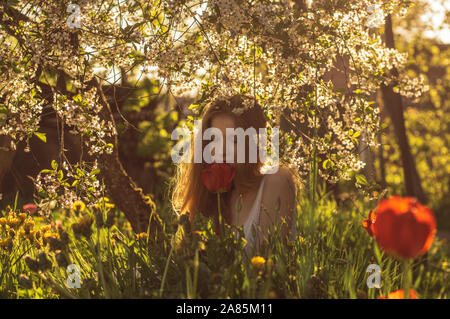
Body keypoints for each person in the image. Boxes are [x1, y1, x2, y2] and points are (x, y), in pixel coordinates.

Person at [171, 95, 298, 255]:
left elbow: (264, 265)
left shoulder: (276, 180)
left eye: (234, 140)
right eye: (213, 139)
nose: (222, 150)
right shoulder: (210, 195)